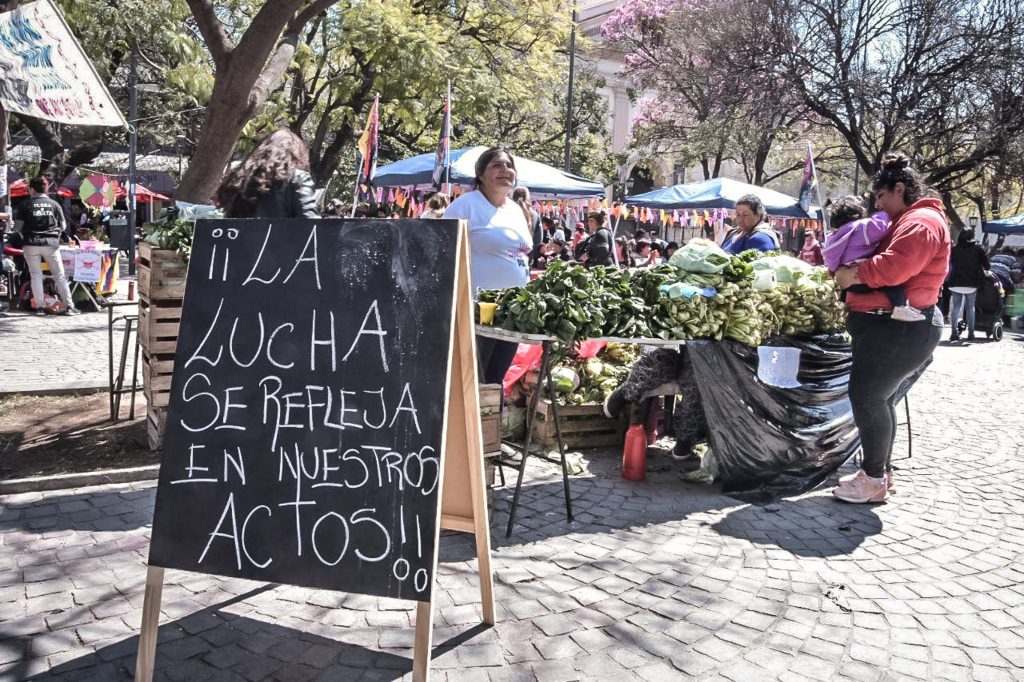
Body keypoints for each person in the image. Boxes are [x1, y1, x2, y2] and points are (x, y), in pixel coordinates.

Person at [831, 153, 950, 504]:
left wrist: (854, 275)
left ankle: (872, 480)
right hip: (891, 326)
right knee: (878, 399)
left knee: (868, 397)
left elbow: (895, 267)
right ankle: (879, 473)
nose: (878, 205)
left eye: (881, 196)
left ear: (900, 189)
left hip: (898, 328)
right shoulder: (914, 219)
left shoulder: (922, 220)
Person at [443, 147, 532, 385]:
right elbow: (440, 249)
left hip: (513, 311)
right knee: (472, 381)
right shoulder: (465, 206)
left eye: (509, 166)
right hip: (478, 311)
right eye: (496, 165)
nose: (505, 170)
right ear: (480, 174)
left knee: (494, 380)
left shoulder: (514, 209)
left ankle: (490, 422)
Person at [822, 196, 922, 322]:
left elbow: (831, 263)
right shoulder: (860, 228)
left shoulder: (834, 237)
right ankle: (900, 307)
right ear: (858, 213)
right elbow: (880, 227)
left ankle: (842, 308)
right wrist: (884, 213)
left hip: (850, 285)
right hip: (864, 277)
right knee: (892, 282)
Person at [215, 129, 320, 219]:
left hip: (239, 240)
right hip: (282, 242)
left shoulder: (241, 178)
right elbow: (311, 224)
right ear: (296, 154)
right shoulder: (299, 178)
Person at [14, 177, 78, 315]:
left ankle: (41, 307)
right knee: (59, 275)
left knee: (36, 275)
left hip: (30, 243)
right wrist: (54, 233)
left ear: (31, 189)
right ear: (45, 189)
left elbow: (18, 227)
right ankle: (69, 306)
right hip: (51, 244)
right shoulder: (55, 204)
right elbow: (63, 226)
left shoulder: (25, 205)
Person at [947, 228, 990, 341]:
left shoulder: (954, 249)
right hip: (971, 283)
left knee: (956, 307)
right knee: (970, 307)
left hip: (955, 282)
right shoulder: (977, 249)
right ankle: (971, 334)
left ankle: (954, 333)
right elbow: (987, 265)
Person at [512, 187, 544, 267]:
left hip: (508, 255)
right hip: (527, 255)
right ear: (528, 198)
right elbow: (538, 240)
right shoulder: (535, 215)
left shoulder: (505, 212)